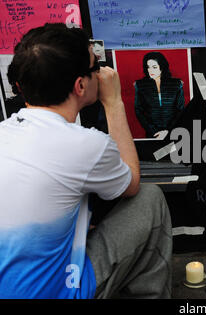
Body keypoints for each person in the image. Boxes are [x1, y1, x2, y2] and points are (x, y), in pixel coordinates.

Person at [0, 23, 172, 299]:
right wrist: (114, 102)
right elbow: (132, 182)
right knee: (149, 198)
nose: (101, 74)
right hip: (58, 293)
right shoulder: (86, 144)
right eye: (96, 68)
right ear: (80, 85)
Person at [134, 52, 185, 138]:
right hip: (152, 134)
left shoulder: (176, 84)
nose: (150, 70)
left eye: (154, 67)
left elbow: (180, 110)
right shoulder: (140, 85)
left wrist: (168, 131)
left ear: (162, 67)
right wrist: (153, 131)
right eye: (148, 67)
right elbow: (139, 111)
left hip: (173, 133)